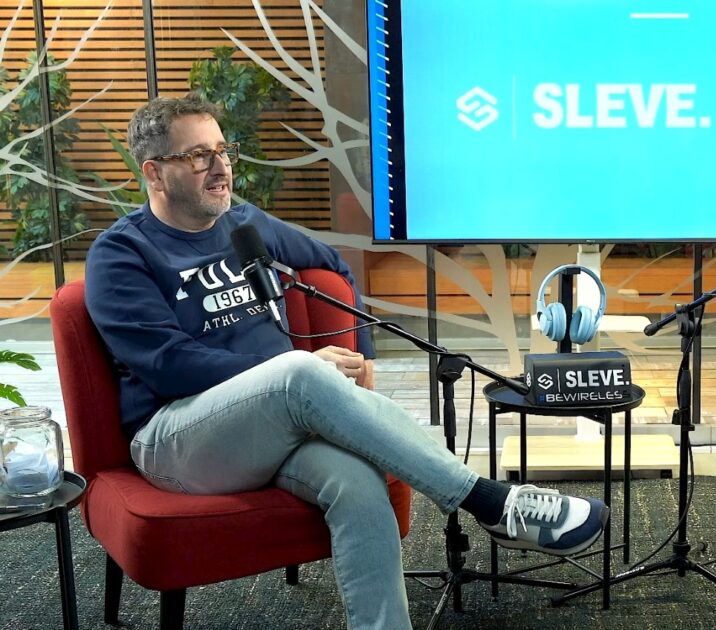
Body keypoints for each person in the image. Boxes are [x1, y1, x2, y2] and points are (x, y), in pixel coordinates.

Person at [84, 96, 609, 630]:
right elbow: (169, 364)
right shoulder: (121, 254)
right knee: (299, 371)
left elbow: (332, 265)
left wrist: (363, 355)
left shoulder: (243, 224)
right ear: (154, 172)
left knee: (358, 483)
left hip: (276, 425)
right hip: (177, 441)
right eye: (199, 156)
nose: (221, 168)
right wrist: (296, 372)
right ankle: (489, 500)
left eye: (223, 150)